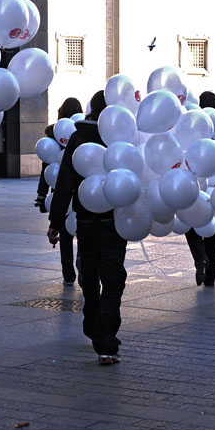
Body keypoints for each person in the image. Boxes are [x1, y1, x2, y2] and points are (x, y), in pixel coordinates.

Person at [48, 91, 127, 365]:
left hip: (84, 221)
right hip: (114, 222)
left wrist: (56, 221)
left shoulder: (78, 137)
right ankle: (105, 339)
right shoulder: (119, 137)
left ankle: (92, 324)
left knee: (90, 274)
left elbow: (65, 181)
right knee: (113, 277)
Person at [35, 97, 84, 285]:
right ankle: (81, 263)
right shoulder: (82, 134)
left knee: (64, 233)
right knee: (80, 230)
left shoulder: (54, 136)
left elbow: (46, 170)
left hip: (60, 191)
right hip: (80, 191)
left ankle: (68, 273)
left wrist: (41, 196)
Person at [185, 90, 215, 287]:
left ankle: (200, 257)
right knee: (212, 230)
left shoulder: (196, 127)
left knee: (190, 224)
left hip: (196, 186)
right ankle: (211, 277)